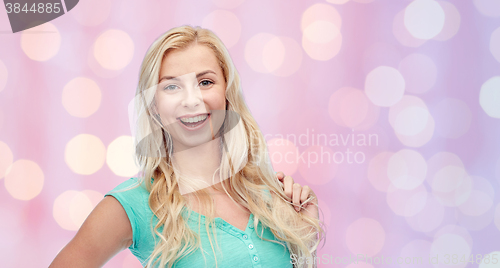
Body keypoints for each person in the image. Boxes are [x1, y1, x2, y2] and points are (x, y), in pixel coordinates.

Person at [49, 25, 324, 268]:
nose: (191, 100)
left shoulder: (267, 195)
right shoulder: (133, 205)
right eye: (172, 87)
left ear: (226, 93)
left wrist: (302, 235)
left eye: (205, 82)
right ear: (155, 106)